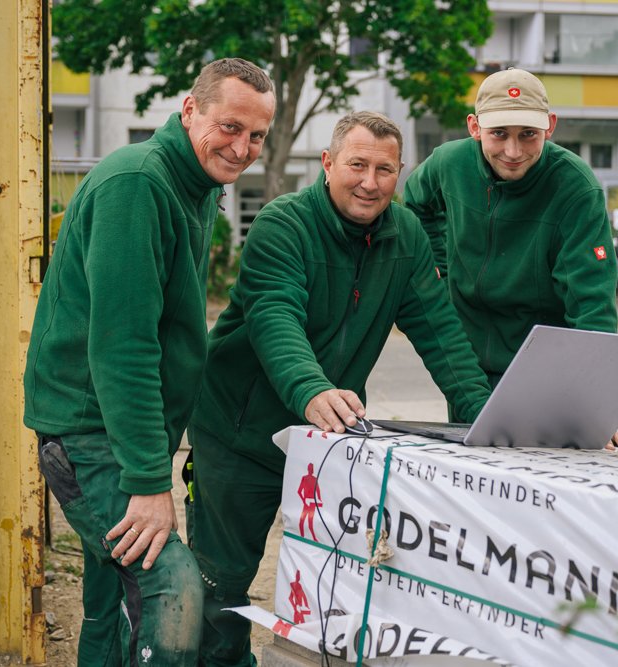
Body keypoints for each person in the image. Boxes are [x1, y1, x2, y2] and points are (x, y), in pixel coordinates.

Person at [186, 111, 492, 666]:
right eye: (357, 165)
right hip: (240, 434)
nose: (370, 182)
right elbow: (275, 316)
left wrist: (488, 417)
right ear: (327, 164)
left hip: (330, 443)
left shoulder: (406, 235)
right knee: (221, 587)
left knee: (335, 581)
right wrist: (311, 389)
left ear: (399, 173)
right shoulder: (284, 223)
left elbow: (442, 335)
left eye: (385, 169)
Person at [23, 58, 275, 666]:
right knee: (170, 583)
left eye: (257, 135)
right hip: (90, 429)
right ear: (190, 111)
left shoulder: (196, 185)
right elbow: (125, 344)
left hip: (127, 428)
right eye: (230, 127)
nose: (242, 148)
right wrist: (146, 480)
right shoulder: (138, 184)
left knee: (110, 599)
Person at [403, 68, 618, 451]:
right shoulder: (448, 163)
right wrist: (439, 269)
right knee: (475, 466)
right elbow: (416, 203)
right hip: (467, 355)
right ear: (474, 127)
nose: (513, 152)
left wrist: (596, 409)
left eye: (528, 134)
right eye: (499, 134)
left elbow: (591, 304)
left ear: (550, 126)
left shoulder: (576, 188)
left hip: (540, 364)